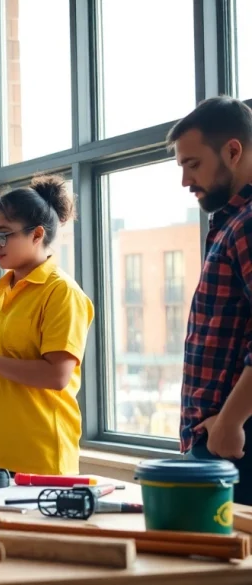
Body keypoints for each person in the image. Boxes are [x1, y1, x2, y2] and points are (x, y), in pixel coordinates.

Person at [0, 175, 94, 476]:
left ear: (37, 234)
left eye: (4, 234)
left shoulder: (61, 292)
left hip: (38, 455)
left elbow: (57, 376)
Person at [167, 97, 252, 504]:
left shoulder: (249, 222)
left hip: (235, 444)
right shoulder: (231, 221)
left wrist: (230, 422)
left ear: (233, 151)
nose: (185, 180)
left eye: (193, 164)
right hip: (218, 440)